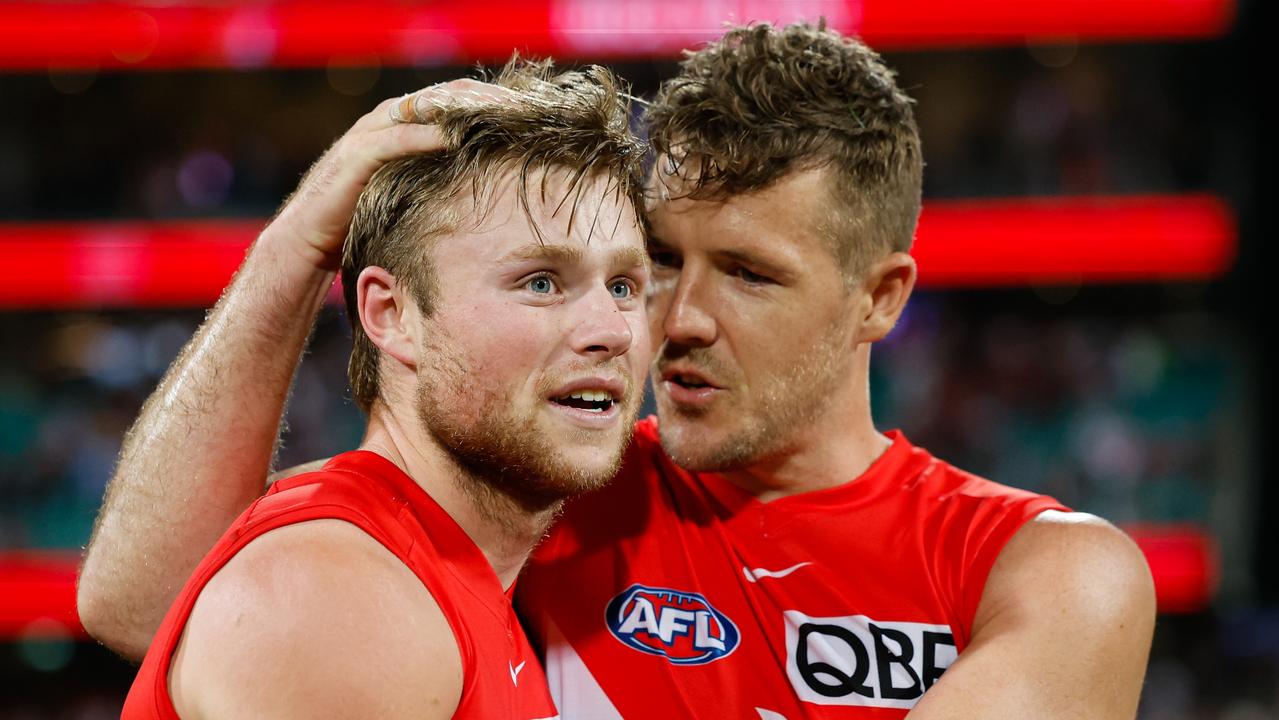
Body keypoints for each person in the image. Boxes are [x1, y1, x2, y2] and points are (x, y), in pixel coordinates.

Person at [80, 22, 1156, 719]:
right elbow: (152, 604)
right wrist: (299, 244)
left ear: (879, 297)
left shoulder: (1043, 573)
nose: (672, 320)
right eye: (663, 262)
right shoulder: (550, 484)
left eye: (746, 273)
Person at [111, 59, 652, 719]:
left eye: (623, 285)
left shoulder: (422, 562)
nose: (610, 329)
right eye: (540, 282)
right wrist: (302, 243)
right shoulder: (335, 596)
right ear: (393, 316)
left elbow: (137, 606)